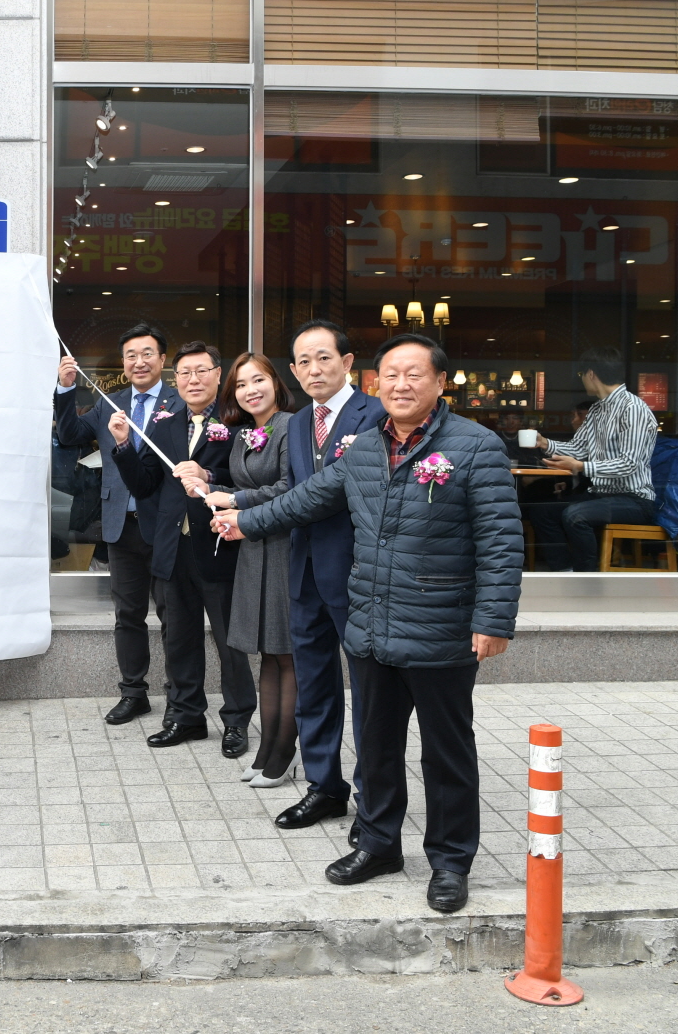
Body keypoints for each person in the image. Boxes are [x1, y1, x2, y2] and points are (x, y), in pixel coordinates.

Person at [220, 332, 523, 913]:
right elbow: (309, 498)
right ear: (375, 382)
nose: (401, 385)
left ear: (440, 382)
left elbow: (502, 543)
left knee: (446, 752)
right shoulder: (362, 447)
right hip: (371, 624)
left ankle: (451, 861)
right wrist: (244, 521)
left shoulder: (475, 446)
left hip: (439, 628)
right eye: (391, 375)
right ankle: (380, 844)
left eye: (415, 374)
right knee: (376, 745)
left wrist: (493, 620)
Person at [111, 342, 255, 755]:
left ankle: (236, 721)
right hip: (173, 550)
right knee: (179, 639)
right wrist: (123, 446)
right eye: (185, 374)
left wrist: (209, 474)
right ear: (176, 381)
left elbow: (250, 480)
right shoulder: (166, 425)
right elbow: (145, 485)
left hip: (220, 548)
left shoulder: (240, 422)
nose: (193, 380)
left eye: (201, 371)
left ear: (218, 374)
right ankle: (186, 716)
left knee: (230, 643)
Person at [274, 320, 385, 843]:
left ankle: (372, 799)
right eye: (303, 361)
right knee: (314, 684)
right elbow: (293, 490)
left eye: (323, 358)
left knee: (368, 692)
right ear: (293, 372)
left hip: (358, 573)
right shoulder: (298, 422)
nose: (313, 369)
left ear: (347, 362)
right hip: (304, 570)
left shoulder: (376, 414)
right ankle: (324, 786)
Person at [54, 324, 181, 725]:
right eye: (131, 355)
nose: (139, 362)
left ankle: (179, 697)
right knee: (128, 614)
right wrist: (65, 389)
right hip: (119, 524)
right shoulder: (110, 402)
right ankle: (133, 693)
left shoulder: (180, 402)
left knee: (173, 615)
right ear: (123, 363)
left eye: (147, 353)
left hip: (165, 526)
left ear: (163, 359)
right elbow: (70, 434)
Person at [183, 352, 297, 786]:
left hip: (284, 549)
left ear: (276, 382)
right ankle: (268, 749)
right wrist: (209, 485)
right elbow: (241, 484)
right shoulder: (246, 433)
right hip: (253, 551)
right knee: (268, 653)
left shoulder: (291, 426)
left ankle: (284, 752)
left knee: (286, 654)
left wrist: (234, 501)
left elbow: (290, 487)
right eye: (242, 384)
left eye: (258, 380)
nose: (251, 390)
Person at [525, 348, 658, 571]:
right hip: (601, 495)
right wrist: (544, 443)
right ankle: (564, 570)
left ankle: (587, 577)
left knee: (575, 516)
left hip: (634, 499)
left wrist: (580, 466)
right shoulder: (597, 410)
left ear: (591, 374)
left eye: (581, 375)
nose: (582, 380)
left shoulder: (633, 409)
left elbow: (629, 463)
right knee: (542, 513)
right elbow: (578, 448)